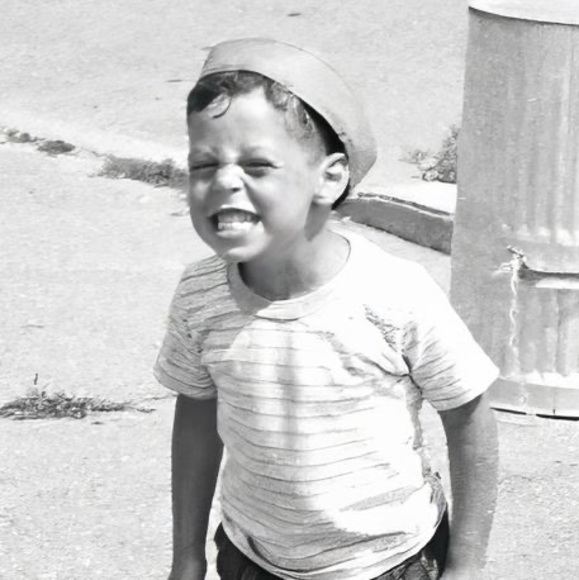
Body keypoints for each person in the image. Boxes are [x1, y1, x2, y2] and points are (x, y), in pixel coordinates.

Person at [154, 38, 499, 580]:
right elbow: (196, 418)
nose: (222, 182)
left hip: (388, 562)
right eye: (203, 163)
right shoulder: (201, 294)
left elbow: (469, 416)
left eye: (257, 165)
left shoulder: (392, 294)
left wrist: (467, 566)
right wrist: (187, 557)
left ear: (330, 177)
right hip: (251, 558)